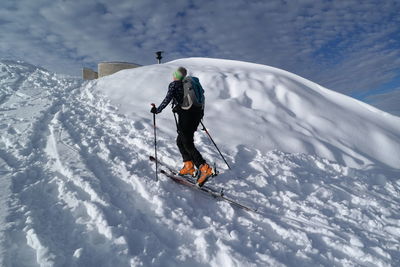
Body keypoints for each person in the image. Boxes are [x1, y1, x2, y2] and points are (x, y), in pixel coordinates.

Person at [151, 67, 214, 186]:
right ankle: (189, 165)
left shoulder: (175, 84)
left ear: (175, 75)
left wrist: (157, 110)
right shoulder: (190, 85)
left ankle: (204, 168)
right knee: (180, 141)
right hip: (197, 115)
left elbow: (167, 99)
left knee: (186, 142)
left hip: (186, 116)